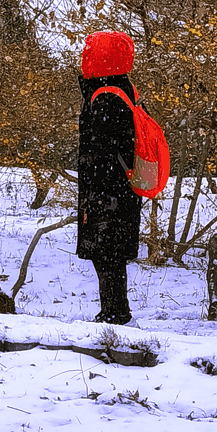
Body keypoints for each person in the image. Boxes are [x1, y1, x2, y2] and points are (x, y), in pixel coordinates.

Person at [76, 30, 142, 324]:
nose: (83, 58)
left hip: (108, 193)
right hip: (122, 189)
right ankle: (115, 311)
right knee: (110, 253)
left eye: (89, 53)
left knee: (107, 253)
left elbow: (102, 152)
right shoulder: (123, 90)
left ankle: (115, 313)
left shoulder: (105, 99)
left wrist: (96, 195)